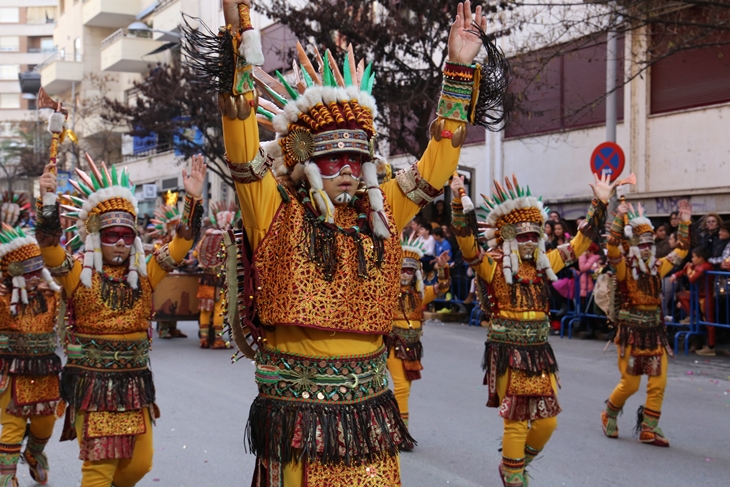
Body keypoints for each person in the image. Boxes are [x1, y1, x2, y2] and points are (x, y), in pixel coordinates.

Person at [190, 1, 508, 484]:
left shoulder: (381, 214)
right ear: (304, 157)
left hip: (368, 412)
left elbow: (434, 169)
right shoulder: (273, 209)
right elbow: (241, 144)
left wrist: (461, 70)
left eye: (356, 159)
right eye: (333, 157)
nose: (346, 170)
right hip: (297, 412)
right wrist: (240, 47)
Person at [35, 155, 205, 487]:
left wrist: (192, 199)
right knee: (98, 467)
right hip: (92, 384)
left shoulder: (145, 274)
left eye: (127, 235)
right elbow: (50, 250)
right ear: (97, 235)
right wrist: (48, 201)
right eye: (112, 235)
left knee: (140, 464)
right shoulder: (77, 273)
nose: (121, 243)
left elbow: (181, 244)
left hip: (134, 384)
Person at [450, 173, 613, 486]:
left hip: (539, 353)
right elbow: (469, 247)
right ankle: (512, 473)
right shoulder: (493, 265)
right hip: (507, 351)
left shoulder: (545, 262)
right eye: (522, 237)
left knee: (547, 422)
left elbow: (579, 245)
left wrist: (600, 202)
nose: (529, 242)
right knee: (516, 419)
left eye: (534, 236)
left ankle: (517, 461)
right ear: (509, 236)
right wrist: (458, 202)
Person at [601, 200, 691, 447]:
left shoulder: (657, 267)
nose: (647, 248)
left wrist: (685, 222)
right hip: (631, 332)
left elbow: (682, 250)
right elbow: (611, 249)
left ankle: (649, 428)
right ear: (632, 246)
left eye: (650, 244)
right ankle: (609, 413)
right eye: (641, 244)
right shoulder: (624, 269)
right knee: (630, 383)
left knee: (659, 381)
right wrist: (619, 219)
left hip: (654, 332)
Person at [0, 194, 62, 487]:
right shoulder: (2, 299)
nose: (38, 275)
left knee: (44, 425)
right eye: (31, 270)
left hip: (45, 373)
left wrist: (48, 198)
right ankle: (6, 478)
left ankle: (35, 453)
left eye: (39, 268)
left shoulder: (53, 295)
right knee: (11, 427)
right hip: (11, 373)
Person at [386, 239, 450, 448]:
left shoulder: (419, 295)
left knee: (405, 388)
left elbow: (442, 288)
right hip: (391, 344)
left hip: (412, 347)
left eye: (410, 271)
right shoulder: (386, 294)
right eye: (402, 269)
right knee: (402, 387)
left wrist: (442, 269)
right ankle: (401, 433)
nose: (406, 274)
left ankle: (392, 426)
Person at [196, 201, 239, 349]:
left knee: (205, 308)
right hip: (220, 278)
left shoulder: (206, 237)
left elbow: (197, 253)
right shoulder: (227, 238)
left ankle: (204, 338)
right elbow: (233, 257)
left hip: (205, 278)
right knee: (219, 308)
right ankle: (218, 340)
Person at [147, 192, 188, 339]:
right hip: (163, 277)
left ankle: (172, 327)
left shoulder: (175, 241)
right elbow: (159, 257)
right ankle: (163, 328)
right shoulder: (160, 242)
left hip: (176, 275)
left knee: (175, 300)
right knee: (165, 300)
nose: (175, 229)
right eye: (173, 226)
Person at [672, 246, 716, 356]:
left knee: (709, 321)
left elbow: (692, 278)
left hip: (706, 296)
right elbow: (683, 272)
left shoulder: (705, 266)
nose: (692, 259)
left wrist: (689, 269)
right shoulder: (697, 265)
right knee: (681, 295)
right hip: (698, 294)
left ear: (701, 258)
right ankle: (692, 315)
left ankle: (711, 346)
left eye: (694, 257)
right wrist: (675, 275)